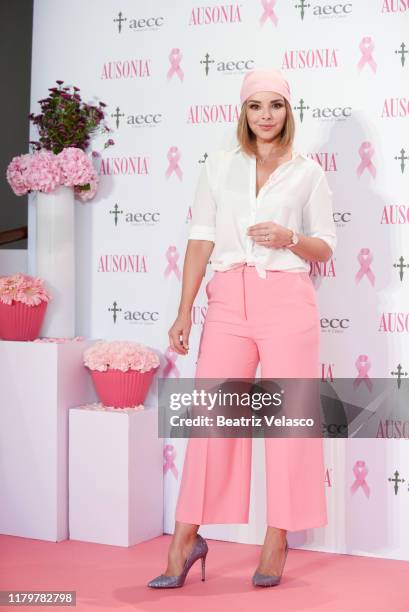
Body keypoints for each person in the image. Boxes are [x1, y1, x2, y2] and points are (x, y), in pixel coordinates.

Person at [148, 68, 337, 589]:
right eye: (257, 106)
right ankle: (186, 537)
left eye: (276, 105)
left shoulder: (308, 172)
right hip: (228, 299)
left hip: (288, 302)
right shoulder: (218, 166)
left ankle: (276, 539)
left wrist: (289, 236)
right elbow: (201, 241)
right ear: (243, 111)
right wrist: (184, 310)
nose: (266, 116)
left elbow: (326, 245)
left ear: (288, 110)